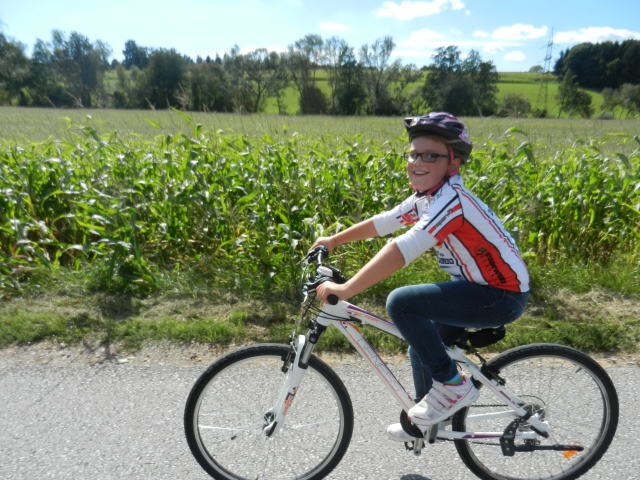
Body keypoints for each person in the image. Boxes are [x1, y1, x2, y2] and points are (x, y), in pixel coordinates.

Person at [311, 112, 530, 442]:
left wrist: (345, 289)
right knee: (422, 345)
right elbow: (385, 222)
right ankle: (426, 420)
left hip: (500, 295)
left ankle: (452, 387)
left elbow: (403, 248)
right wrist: (333, 240)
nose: (417, 162)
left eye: (430, 156)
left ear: (453, 163)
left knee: (402, 303)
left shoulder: (452, 200)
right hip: (477, 288)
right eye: (413, 154)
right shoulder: (428, 199)